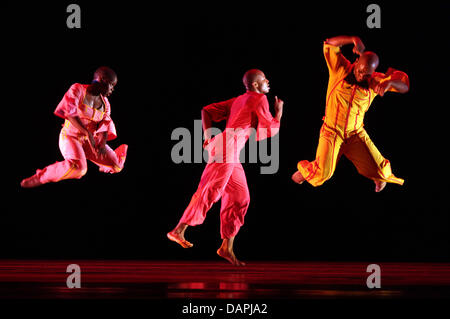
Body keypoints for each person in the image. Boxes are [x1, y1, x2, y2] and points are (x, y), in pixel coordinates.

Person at [168, 69, 283, 266]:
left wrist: (206, 138)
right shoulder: (258, 99)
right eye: (264, 79)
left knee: (240, 197)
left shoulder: (239, 99)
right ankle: (179, 229)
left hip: (229, 151)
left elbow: (206, 110)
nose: (268, 81)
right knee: (210, 190)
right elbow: (271, 127)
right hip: (227, 149)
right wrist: (279, 111)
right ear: (255, 85)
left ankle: (226, 247)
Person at [292, 35, 409, 192]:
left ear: (373, 73)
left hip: (355, 133)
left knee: (383, 172)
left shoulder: (375, 82)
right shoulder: (340, 69)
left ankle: (378, 178)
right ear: (356, 63)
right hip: (332, 131)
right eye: (359, 71)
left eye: (366, 74)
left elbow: (405, 85)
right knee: (322, 174)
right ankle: (304, 172)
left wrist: (390, 82)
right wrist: (353, 39)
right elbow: (329, 43)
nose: (361, 76)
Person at [20, 66, 128, 188]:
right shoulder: (78, 89)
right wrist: (87, 132)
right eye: (111, 85)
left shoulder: (106, 104)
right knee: (80, 169)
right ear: (102, 80)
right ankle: (41, 177)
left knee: (117, 166)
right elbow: (69, 113)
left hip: (90, 141)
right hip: (71, 137)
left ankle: (96, 161)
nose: (112, 89)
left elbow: (105, 125)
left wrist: (102, 145)